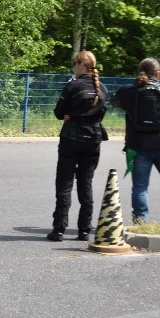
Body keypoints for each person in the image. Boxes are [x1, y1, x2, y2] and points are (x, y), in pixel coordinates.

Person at [113, 58, 160, 223]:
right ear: (158, 74)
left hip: (138, 146)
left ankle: (140, 221)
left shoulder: (129, 92)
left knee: (140, 186)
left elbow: (115, 102)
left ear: (140, 72)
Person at [47, 50, 108, 242]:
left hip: (71, 138)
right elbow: (101, 114)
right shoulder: (103, 89)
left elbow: (58, 112)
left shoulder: (72, 86)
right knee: (86, 183)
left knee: (64, 183)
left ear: (82, 65)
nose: (74, 66)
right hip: (93, 139)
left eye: (75, 63)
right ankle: (84, 230)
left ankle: (59, 229)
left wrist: (70, 116)